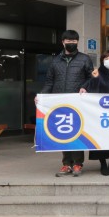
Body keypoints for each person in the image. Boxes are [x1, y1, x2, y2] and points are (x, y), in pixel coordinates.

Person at [39, 30, 93, 177]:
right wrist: (42, 95)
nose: (71, 43)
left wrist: (85, 87)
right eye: (68, 41)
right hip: (60, 103)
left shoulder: (85, 59)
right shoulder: (55, 61)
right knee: (63, 133)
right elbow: (49, 81)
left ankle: (77, 164)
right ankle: (66, 164)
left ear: (77, 42)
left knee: (77, 133)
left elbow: (91, 77)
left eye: (74, 41)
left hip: (77, 102)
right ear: (63, 42)